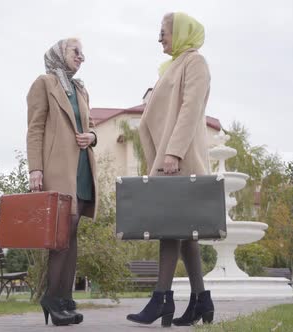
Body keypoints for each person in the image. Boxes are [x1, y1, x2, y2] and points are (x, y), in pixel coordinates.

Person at [126, 12, 215, 327]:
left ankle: (161, 297)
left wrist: (173, 152)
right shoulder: (172, 67)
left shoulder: (195, 62)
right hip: (168, 158)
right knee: (184, 233)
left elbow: (191, 108)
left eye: (163, 31)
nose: (159, 37)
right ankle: (201, 301)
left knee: (169, 227)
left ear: (180, 32)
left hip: (180, 159)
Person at [26, 38, 98, 326]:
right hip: (57, 169)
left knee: (71, 236)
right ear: (59, 54)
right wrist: (35, 169)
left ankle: (64, 300)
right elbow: (35, 129)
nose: (82, 57)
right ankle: (53, 298)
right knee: (59, 238)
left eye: (83, 52)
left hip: (81, 169)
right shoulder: (43, 84)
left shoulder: (80, 89)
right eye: (76, 52)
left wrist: (92, 137)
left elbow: (90, 125)